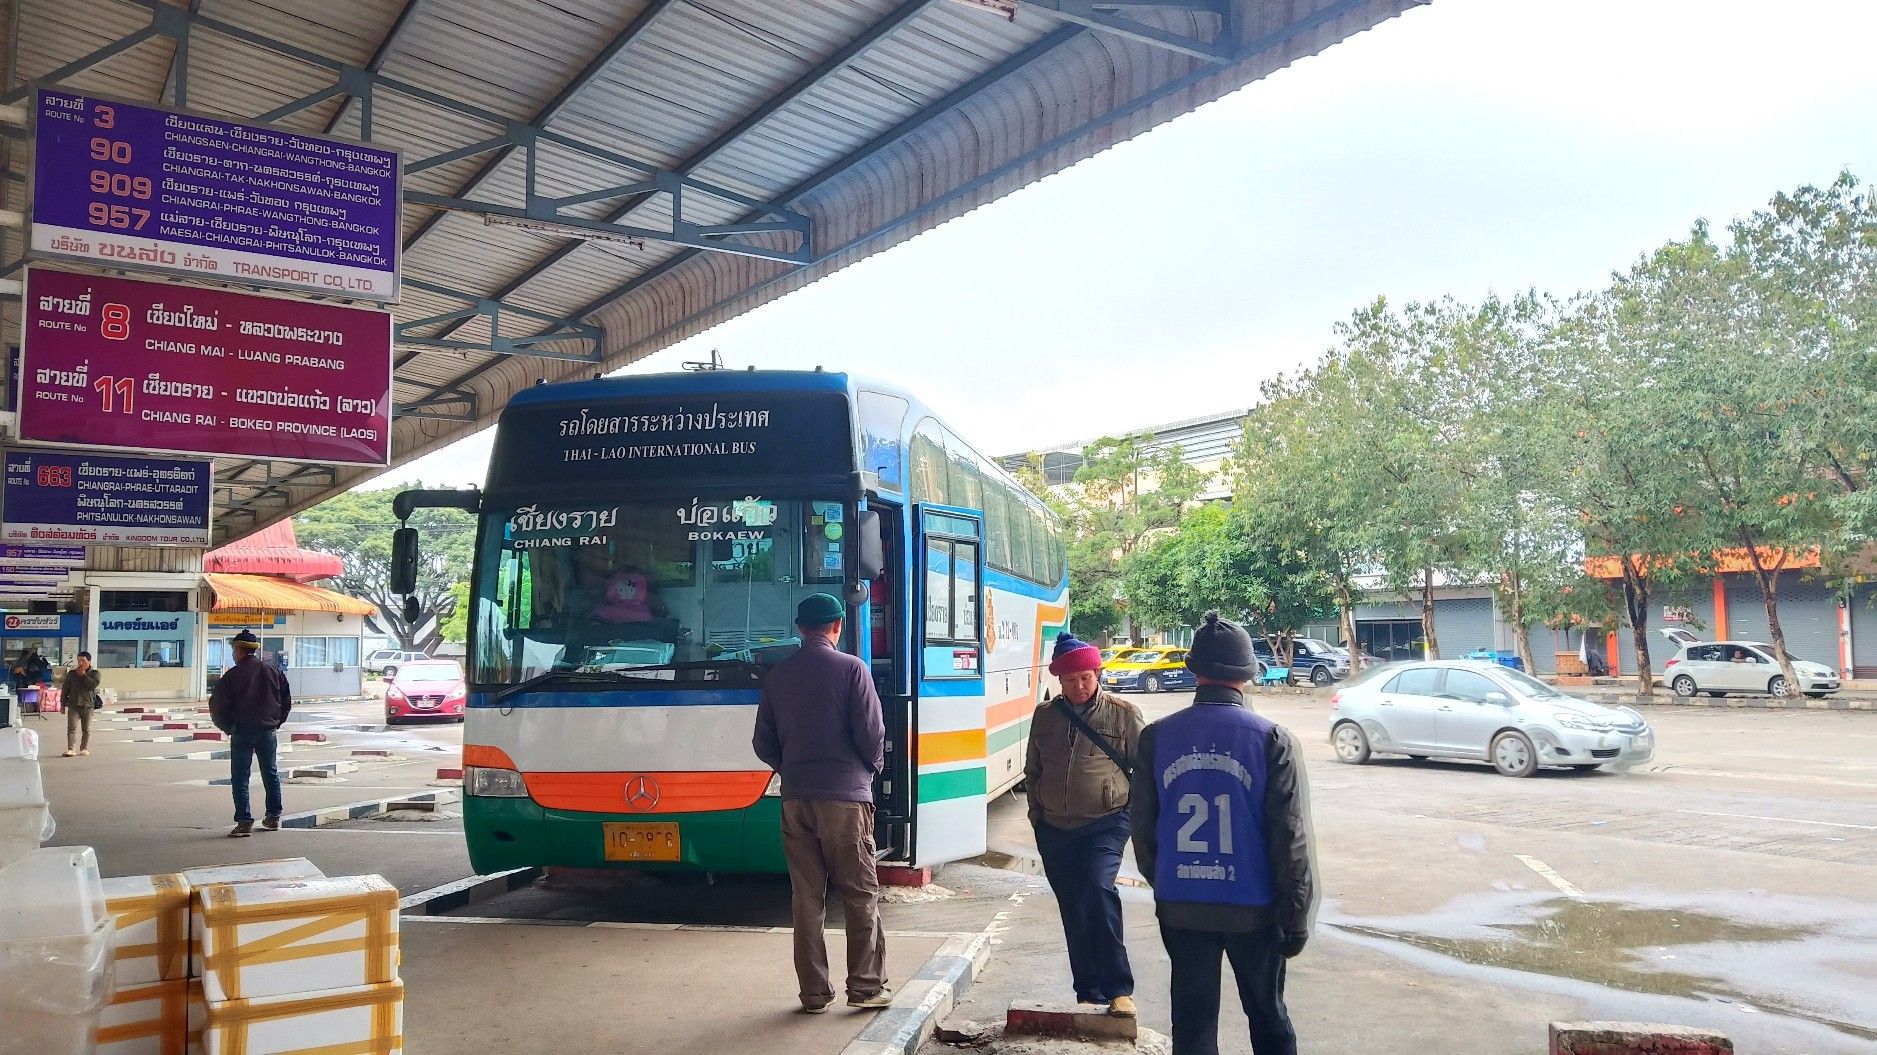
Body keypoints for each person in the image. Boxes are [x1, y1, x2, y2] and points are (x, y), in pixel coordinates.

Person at [1131, 612, 1316, 1055]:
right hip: (1254, 908)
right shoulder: (1273, 739)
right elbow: (1288, 839)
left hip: (1182, 908)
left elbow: (1144, 829)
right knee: (1268, 1016)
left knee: (1193, 1025)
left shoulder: (1156, 737)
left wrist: (1173, 880)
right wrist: (1295, 914)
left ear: (1194, 671)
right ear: (1248, 675)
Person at [751, 593, 891, 1014]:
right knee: (859, 892)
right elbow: (871, 733)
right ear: (838, 626)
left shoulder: (779, 674)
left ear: (799, 629)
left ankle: (813, 994)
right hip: (845, 800)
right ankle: (866, 988)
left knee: (806, 897)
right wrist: (870, 770)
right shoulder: (852, 669)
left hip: (796, 799)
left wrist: (791, 767)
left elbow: (762, 742)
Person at [1025, 632, 1146, 1017]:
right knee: (1074, 904)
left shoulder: (1123, 714)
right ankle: (1090, 988)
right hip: (1054, 826)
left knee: (1097, 889)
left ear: (1097, 674)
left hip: (1106, 823)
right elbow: (1033, 770)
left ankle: (1119, 988)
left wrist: (1135, 819)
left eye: (1086, 678)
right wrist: (1037, 816)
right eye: (1071, 680)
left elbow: (1143, 770)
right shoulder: (1045, 715)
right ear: (1059, 681)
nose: (1079, 686)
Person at [209, 630, 293, 837]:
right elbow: (286, 701)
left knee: (240, 778)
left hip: (241, 733)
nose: (233, 654)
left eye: (233, 650)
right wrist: (276, 722)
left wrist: (228, 728)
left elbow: (217, 706)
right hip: (267, 731)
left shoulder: (231, 676)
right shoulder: (273, 672)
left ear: (238, 650)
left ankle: (244, 821)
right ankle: (273, 817)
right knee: (270, 773)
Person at [60, 652, 102, 757]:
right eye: (78, 660)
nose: (80, 663)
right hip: (73, 705)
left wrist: (83, 675)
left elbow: (92, 685)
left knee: (86, 729)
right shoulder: (72, 674)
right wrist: (62, 704)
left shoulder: (95, 673)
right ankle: (71, 749)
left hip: (87, 706)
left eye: (83, 660)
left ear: (89, 661)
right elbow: (65, 689)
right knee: (71, 728)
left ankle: (84, 748)